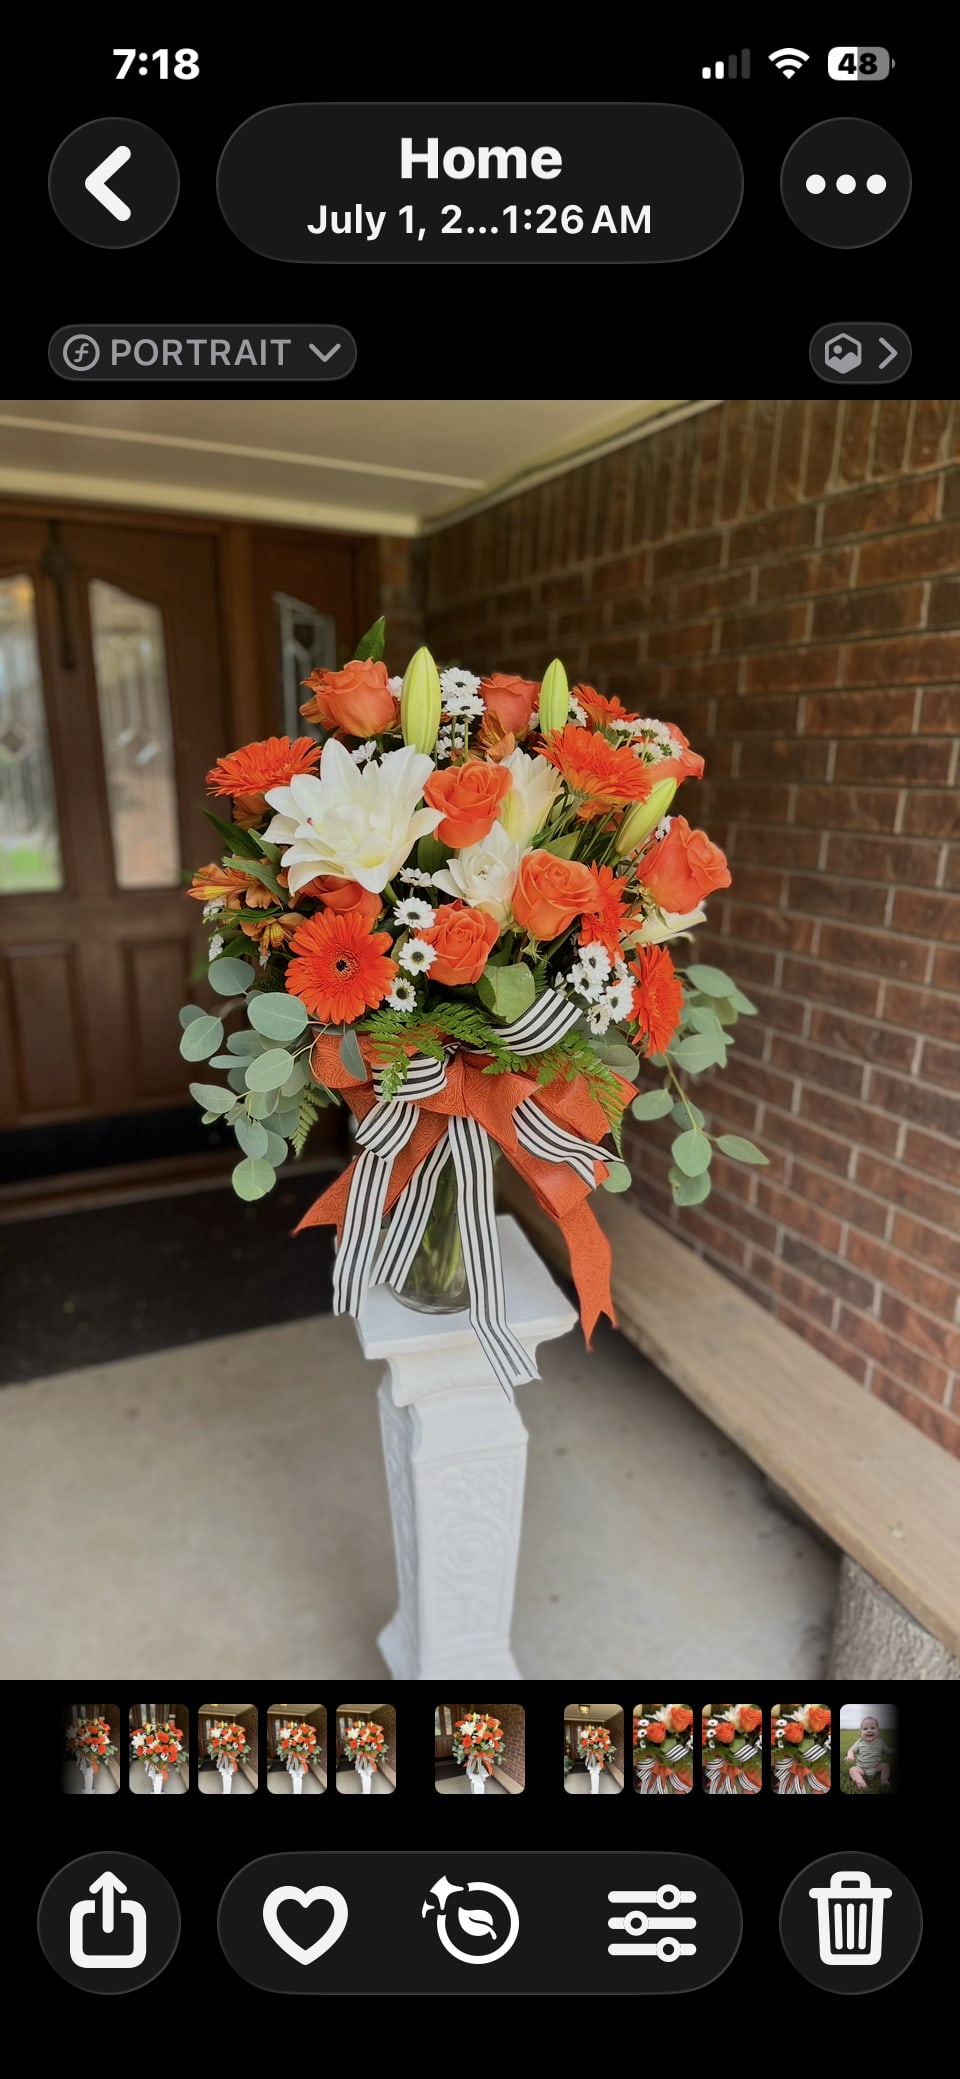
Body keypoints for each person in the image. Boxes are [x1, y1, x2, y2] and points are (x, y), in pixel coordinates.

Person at [846, 1714, 892, 1790]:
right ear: (861, 1732)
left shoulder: (880, 1742)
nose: (869, 1730)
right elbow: (851, 1750)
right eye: (865, 1729)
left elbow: (887, 1750)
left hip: (876, 1767)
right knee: (852, 1770)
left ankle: (884, 1780)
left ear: (878, 1730)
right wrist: (850, 1755)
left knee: (886, 1766)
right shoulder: (860, 1742)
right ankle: (860, 1781)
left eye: (873, 1728)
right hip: (861, 1768)